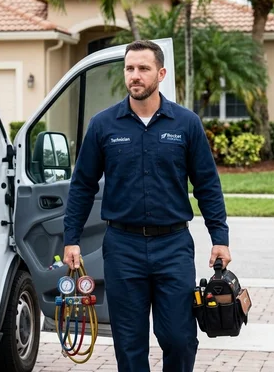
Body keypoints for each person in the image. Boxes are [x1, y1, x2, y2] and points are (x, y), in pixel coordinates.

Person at [62, 40, 231, 372]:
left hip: (173, 246)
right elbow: (82, 185)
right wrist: (72, 238)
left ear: (161, 73)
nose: (135, 76)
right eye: (129, 69)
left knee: (180, 338)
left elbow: (207, 185)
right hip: (123, 247)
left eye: (143, 69)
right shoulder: (103, 125)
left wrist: (220, 238)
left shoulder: (186, 124)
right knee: (129, 342)